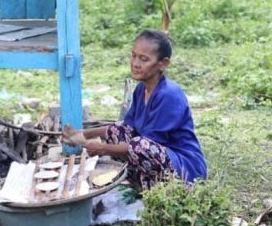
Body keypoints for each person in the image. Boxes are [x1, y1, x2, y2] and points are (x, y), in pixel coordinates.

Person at [63, 30, 206, 190]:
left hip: (184, 166)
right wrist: (81, 134)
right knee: (118, 130)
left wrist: (102, 148)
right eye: (133, 56)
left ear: (163, 63)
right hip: (159, 156)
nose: (135, 63)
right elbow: (125, 127)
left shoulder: (168, 95)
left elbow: (147, 145)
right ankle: (142, 185)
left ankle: (167, 190)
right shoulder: (141, 89)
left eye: (144, 59)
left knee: (139, 145)